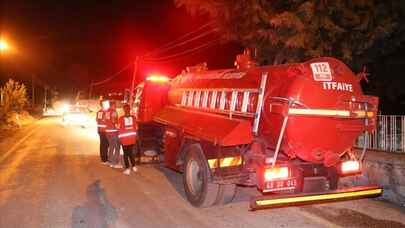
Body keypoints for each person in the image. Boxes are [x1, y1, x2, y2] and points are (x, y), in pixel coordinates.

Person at [118, 104, 138, 175]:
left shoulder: (121, 119)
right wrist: (135, 137)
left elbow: (119, 129)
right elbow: (136, 128)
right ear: (129, 110)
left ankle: (127, 169)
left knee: (126, 154)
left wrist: (120, 139)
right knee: (131, 153)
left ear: (124, 110)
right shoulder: (134, 118)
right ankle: (134, 166)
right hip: (132, 139)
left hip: (124, 140)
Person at [105, 100, 122, 168]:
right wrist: (118, 127)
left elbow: (106, 120)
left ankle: (110, 161)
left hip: (108, 132)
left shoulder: (107, 112)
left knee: (111, 147)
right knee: (117, 147)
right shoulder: (113, 112)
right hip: (113, 132)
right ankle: (115, 163)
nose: (116, 107)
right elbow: (114, 121)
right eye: (115, 105)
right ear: (113, 105)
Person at [96, 100, 109, 164]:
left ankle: (105, 158)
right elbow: (99, 120)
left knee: (105, 145)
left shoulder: (105, 112)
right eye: (107, 104)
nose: (108, 105)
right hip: (102, 131)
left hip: (104, 130)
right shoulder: (101, 112)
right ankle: (104, 159)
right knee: (104, 145)